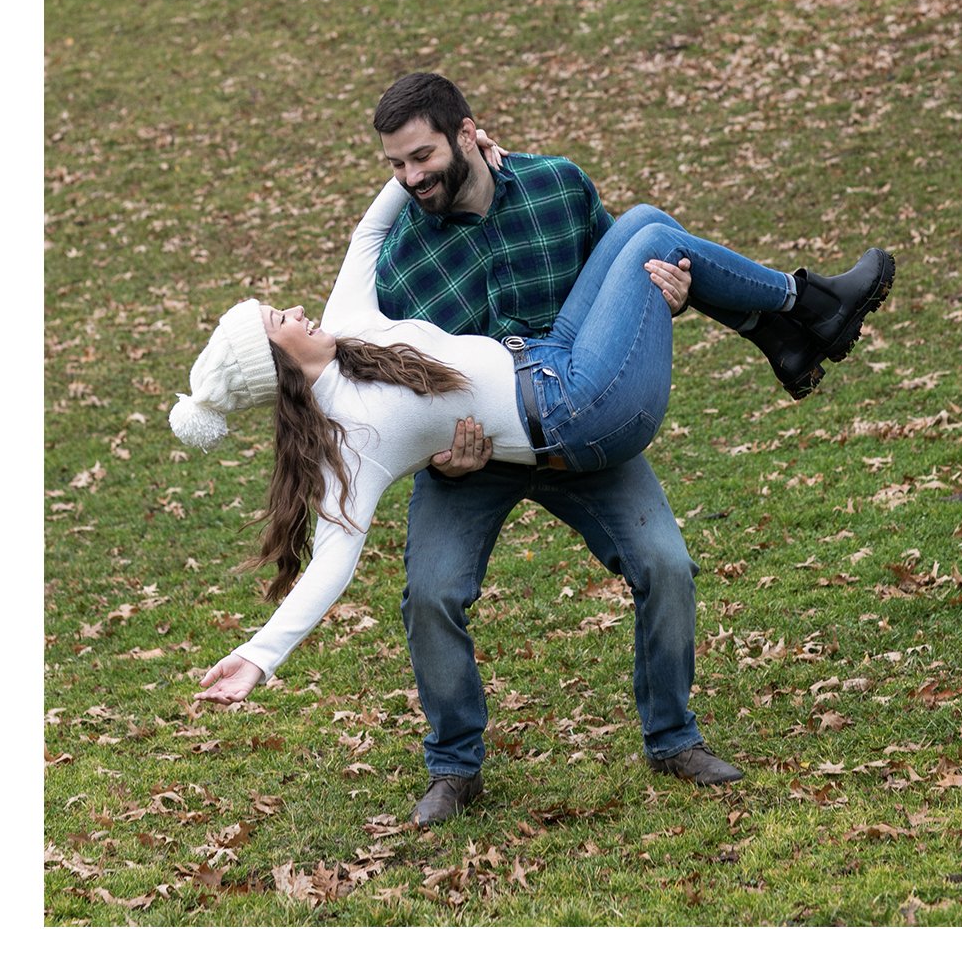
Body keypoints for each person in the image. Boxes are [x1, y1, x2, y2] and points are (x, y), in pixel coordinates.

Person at [181, 72, 893, 825]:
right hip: (499, 446)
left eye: (419, 157)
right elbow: (332, 560)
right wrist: (260, 655)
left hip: (570, 370)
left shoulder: (550, 188)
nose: (407, 178)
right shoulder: (386, 313)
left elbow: (623, 270)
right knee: (431, 593)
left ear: (466, 133)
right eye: (395, 166)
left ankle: (673, 737)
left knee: (665, 554)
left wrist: (673, 289)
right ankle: (455, 766)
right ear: (279, 362)